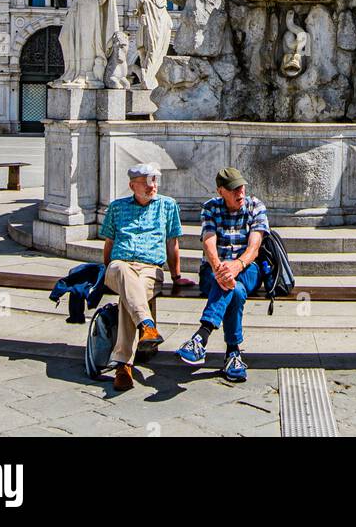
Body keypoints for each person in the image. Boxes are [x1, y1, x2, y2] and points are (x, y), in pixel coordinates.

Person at [99, 164, 194, 392]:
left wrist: (176, 276)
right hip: (119, 266)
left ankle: (124, 365)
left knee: (131, 295)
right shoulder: (117, 207)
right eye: (146, 182)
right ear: (132, 186)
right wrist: (108, 269)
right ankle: (146, 327)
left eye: (154, 181)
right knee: (124, 274)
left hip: (150, 269)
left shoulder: (167, 206)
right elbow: (109, 244)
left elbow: (172, 243)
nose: (152, 186)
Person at [177, 166, 269, 384]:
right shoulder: (210, 207)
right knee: (235, 290)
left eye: (241, 187)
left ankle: (202, 336)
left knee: (233, 283)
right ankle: (233, 354)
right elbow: (208, 241)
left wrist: (236, 266)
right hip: (214, 268)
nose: (240, 192)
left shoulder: (255, 206)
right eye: (234, 189)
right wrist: (220, 268)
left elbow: (254, 247)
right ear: (221, 191)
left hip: (247, 268)